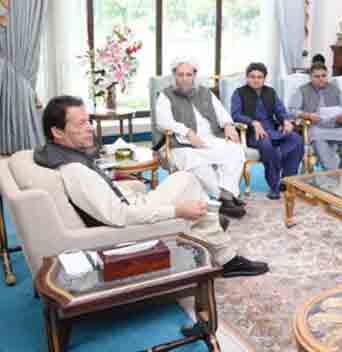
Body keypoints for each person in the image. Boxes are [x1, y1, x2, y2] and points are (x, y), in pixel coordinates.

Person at [34, 96, 268, 277]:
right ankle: (222, 252)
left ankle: (206, 228)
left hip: (130, 205)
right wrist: (177, 212)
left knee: (186, 178)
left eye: (89, 121)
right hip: (127, 226)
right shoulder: (75, 170)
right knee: (189, 184)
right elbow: (119, 216)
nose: (89, 127)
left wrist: (126, 188)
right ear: (57, 132)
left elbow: (103, 200)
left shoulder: (64, 157)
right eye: (82, 123)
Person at [155, 57, 246, 221]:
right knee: (195, 162)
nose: (184, 79)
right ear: (174, 75)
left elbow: (221, 112)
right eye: (180, 74)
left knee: (234, 150)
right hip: (183, 144)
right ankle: (224, 198)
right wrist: (188, 132)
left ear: (194, 75)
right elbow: (163, 122)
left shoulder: (204, 91)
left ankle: (226, 194)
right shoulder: (165, 95)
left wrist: (228, 125)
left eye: (188, 75)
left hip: (210, 138)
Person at [231, 63, 304, 200]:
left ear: (264, 78)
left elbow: (280, 110)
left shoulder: (270, 92)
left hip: (272, 130)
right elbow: (235, 114)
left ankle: (287, 181)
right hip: (253, 133)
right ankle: (274, 186)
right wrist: (253, 122)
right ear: (247, 78)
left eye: (260, 77)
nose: (256, 80)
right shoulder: (239, 93)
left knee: (296, 139)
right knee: (266, 145)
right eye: (252, 77)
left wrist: (286, 121)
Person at [288, 63, 342, 170]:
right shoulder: (302, 90)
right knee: (318, 138)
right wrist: (308, 115)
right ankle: (333, 172)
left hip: (337, 126)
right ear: (311, 77)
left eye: (323, 76)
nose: (321, 79)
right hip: (316, 128)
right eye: (317, 76)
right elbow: (291, 110)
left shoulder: (335, 89)